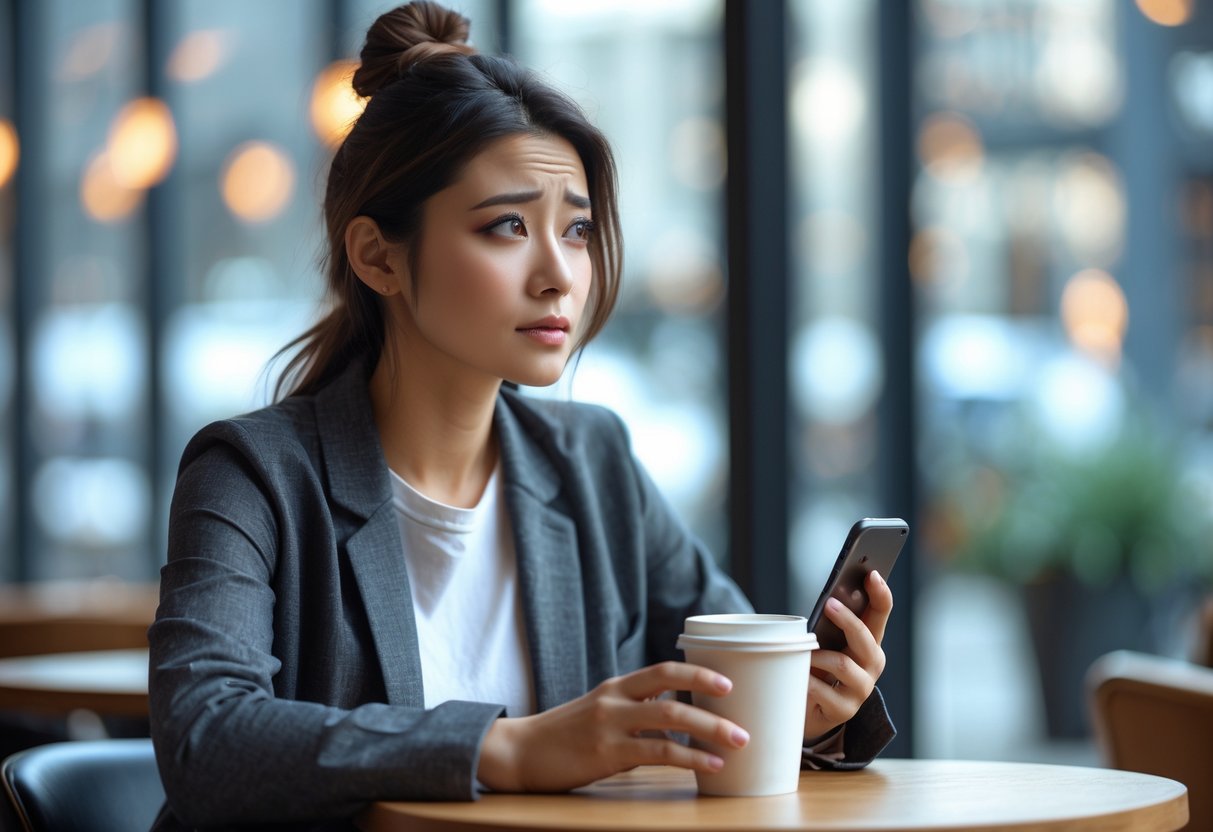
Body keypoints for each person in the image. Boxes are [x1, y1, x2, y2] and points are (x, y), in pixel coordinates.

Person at [147, 2, 896, 828]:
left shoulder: (590, 461)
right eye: (506, 226)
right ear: (377, 256)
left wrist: (801, 707)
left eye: (575, 231)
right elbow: (204, 740)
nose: (558, 276)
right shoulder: (253, 474)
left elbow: (722, 674)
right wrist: (507, 748)